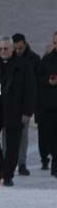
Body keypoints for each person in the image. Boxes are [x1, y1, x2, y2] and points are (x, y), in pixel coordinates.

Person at [0, 36, 36, 187]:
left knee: (13, 144)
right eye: (0, 49)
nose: (3, 51)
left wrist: (27, 112)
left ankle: (8, 173)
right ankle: (0, 168)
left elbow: (30, 89)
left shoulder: (23, 65)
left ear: (12, 49)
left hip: (14, 110)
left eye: (6, 49)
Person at [12, 33, 42, 176]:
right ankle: (9, 163)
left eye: (20, 47)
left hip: (25, 103)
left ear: (24, 44)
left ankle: (22, 163)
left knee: (23, 134)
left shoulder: (33, 59)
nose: (18, 50)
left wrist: (31, 106)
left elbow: (36, 85)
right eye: (16, 47)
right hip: (10, 103)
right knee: (8, 135)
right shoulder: (8, 59)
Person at [39, 31, 57, 176]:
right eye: (55, 43)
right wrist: (48, 81)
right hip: (51, 106)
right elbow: (39, 78)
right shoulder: (48, 59)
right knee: (51, 137)